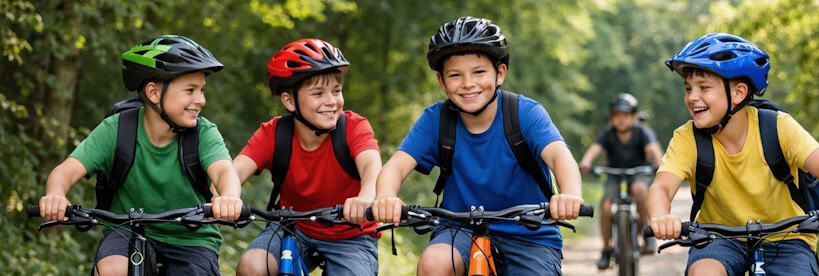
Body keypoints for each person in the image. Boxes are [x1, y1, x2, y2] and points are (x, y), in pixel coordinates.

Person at [369, 16, 585, 275]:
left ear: (500, 73)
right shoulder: (436, 119)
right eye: (455, 75)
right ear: (442, 81)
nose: (468, 83)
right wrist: (386, 197)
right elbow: (396, 166)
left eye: (479, 72)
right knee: (434, 264)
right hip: (458, 230)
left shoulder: (524, 113)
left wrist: (570, 194)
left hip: (529, 233)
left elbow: (559, 157)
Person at [646, 33, 819, 276]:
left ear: (738, 93)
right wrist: (661, 216)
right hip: (717, 240)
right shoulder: (687, 138)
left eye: (704, 87)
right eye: (688, 88)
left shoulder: (777, 127)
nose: (692, 97)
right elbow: (661, 187)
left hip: (787, 239)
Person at [37, 35, 243, 275]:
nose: (200, 100)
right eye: (190, 90)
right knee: (112, 269)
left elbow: (224, 171)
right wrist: (55, 195)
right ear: (154, 93)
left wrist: (229, 197)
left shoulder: (204, 134)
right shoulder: (117, 129)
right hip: (126, 231)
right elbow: (65, 171)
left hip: (191, 238)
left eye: (202, 90)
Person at [233, 39, 381, 276]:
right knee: (253, 266)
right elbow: (234, 172)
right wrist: (225, 196)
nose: (332, 101)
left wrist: (367, 196)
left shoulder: (354, 127)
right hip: (293, 228)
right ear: (289, 100)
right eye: (318, 93)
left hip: (351, 235)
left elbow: (371, 164)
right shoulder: (274, 133)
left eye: (336, 91)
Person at [578, 93, 663, 269]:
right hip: (615, 174)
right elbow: (594, 149)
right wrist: (586, 163)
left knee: (640, 190)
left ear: (634, 117)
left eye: (626, 115)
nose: (621, 119)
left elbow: (654, 151)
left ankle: (646, 231)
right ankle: (606, 249)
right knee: (607, 206)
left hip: (639, 172)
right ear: (611, 118)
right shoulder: (608, 133)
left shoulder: (642, 132)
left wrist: (661, 165)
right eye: (617, 115)